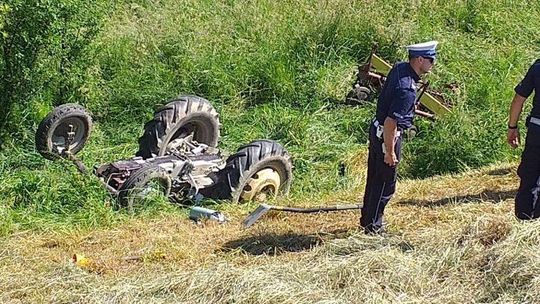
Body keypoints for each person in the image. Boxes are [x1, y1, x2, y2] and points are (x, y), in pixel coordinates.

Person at [360, 41, 438, 234]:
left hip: (377, 129)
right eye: (431, 59)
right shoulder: (407, 90)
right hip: (387, 135)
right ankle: (373, 228)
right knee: (385, 184)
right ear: (420, 60)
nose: (433, 63)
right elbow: (390, 123)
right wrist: (390, 152)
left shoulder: (399, 68)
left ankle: (367, 220)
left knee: (374, 180)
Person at [507, 59, 540, 219]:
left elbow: (518, 100)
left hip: (537, 129)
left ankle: (525, 219)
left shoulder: (538, 67)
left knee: (530, 174)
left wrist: (512, 127)